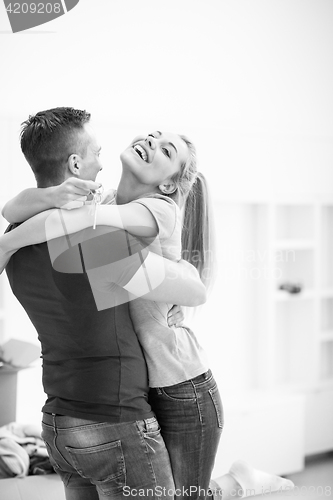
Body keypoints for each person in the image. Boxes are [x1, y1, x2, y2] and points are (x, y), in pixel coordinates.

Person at [1, 123, 294, 499]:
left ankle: (240, 483)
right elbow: (16, 207)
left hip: (180, 382)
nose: (150, 141)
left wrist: (8, 243)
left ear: (170, 184)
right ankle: (238, 483)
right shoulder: (105, 201)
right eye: (152, 135)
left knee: (183, 496)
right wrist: (55, 195)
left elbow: (69, 230)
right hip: (137, 388)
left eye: (166, 150)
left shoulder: (157, 210)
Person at [0, 108, 209, 500]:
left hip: (58, 425)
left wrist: (8, 241)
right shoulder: (98, 241)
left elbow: (12, 209)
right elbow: (195, 290)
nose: (102, 161)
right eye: (97, 152)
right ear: (76, 162)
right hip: (115, 419)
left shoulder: (19, 233)